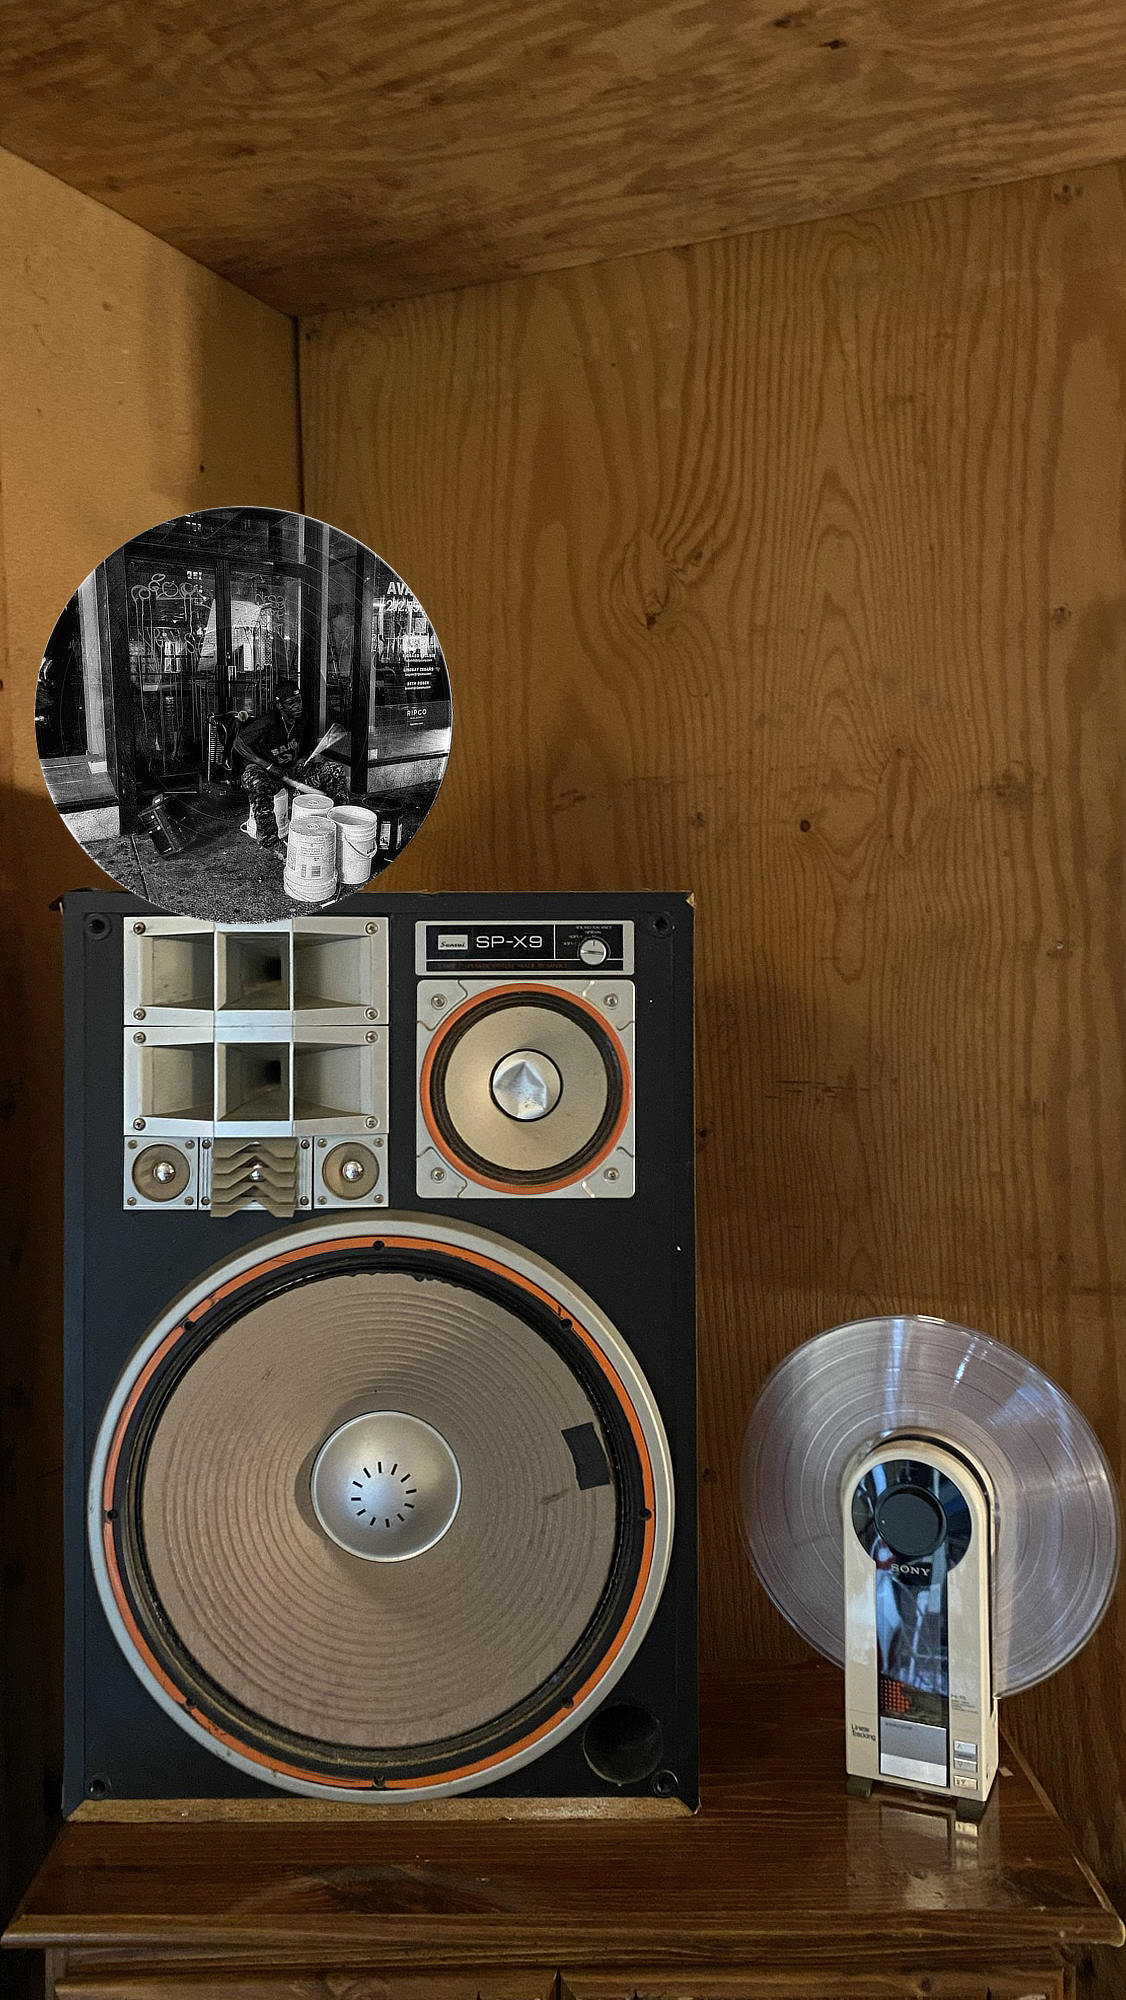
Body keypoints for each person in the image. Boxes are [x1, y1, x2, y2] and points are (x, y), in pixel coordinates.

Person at [231, 680, 307, 846]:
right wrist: (268, 766)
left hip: (286, 770)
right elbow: (238, 744)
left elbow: (303, 750)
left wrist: (301, 761)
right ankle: (270, 840)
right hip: (263, 770)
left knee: (333, 770)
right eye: (291, 703)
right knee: (256, 782)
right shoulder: (268, 721)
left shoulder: (302, 719)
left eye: (299, 700)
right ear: (280, 705)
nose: (298, 706)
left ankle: (340, 822)